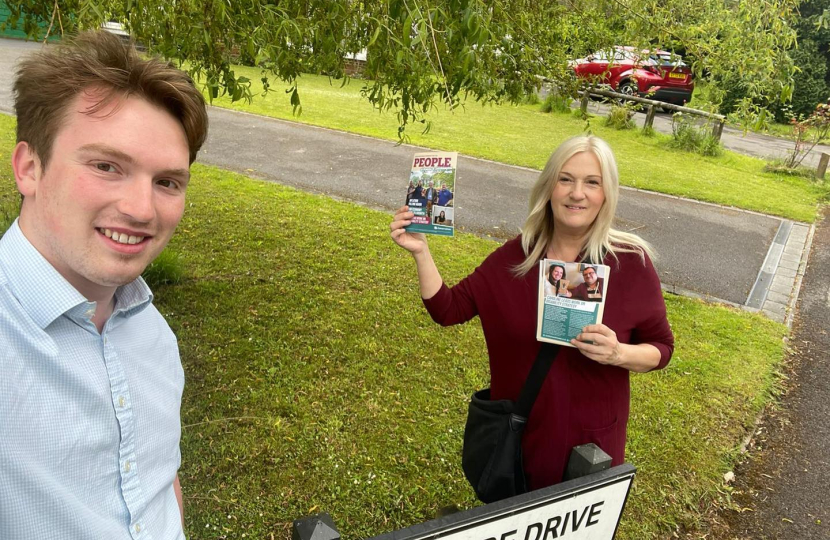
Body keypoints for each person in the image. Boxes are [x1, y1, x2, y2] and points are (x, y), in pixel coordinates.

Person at [0, 31, 208, 539]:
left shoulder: (151, 331)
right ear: (29, 167)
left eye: (167, 182)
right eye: (106, 166)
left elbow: (158, 478)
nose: (141, 210)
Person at [390, 135, 673, 489]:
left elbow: (661, 348)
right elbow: (448, 309)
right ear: (548, 187)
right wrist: (420, 252)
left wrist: (619, 353)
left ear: (607, 194)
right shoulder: (515, 259)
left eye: (592, 182)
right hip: (521, 439)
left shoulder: (629, 262)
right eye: (565, 179)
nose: (577, 193)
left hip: (592, 445)